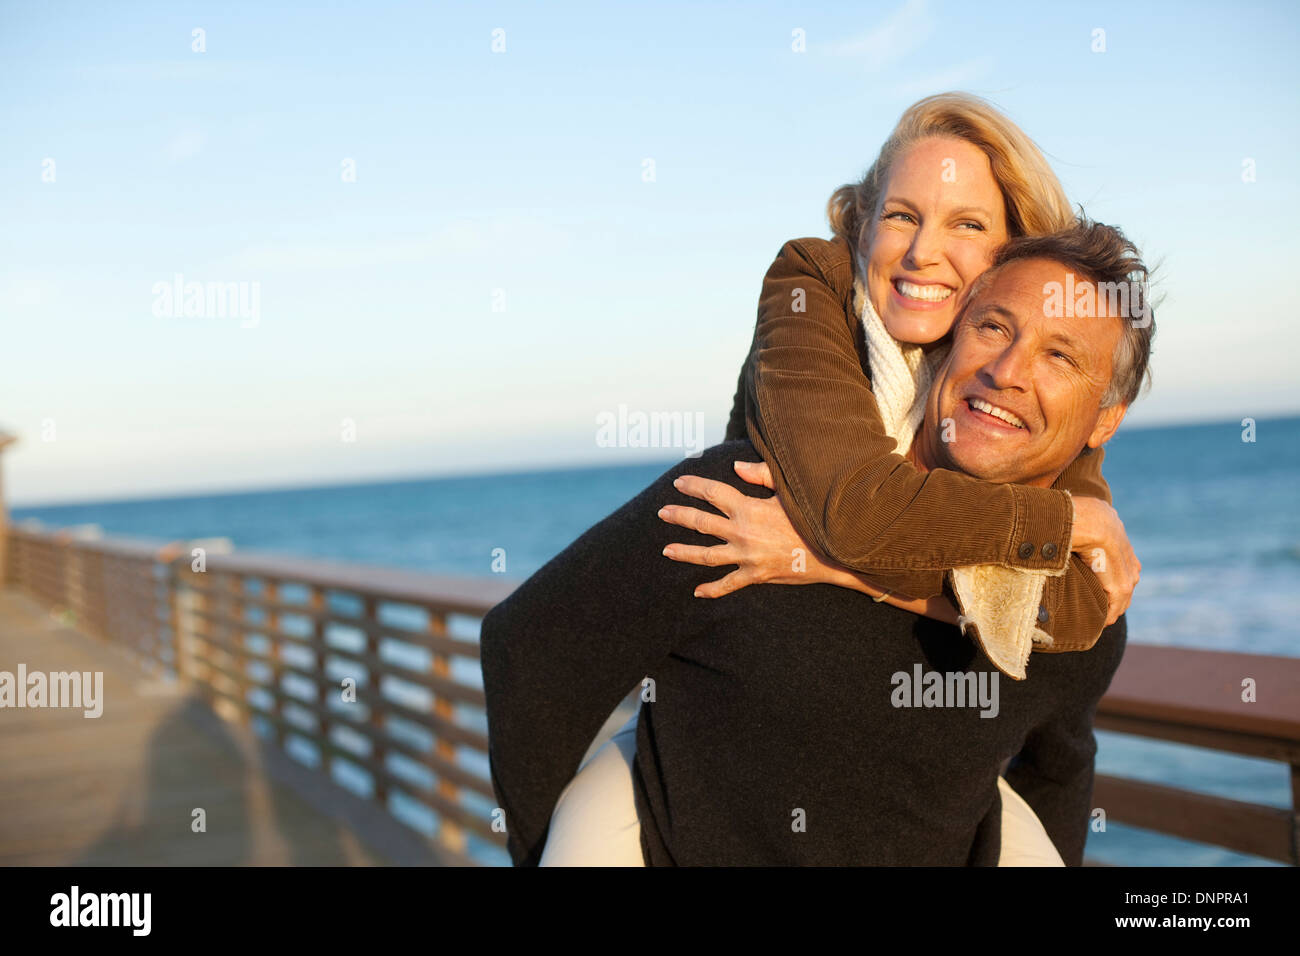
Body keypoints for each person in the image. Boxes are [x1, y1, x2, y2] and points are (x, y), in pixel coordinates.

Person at [528, 93, 1142, 865]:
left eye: (968, 225)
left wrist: (816, 561)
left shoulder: (1011, 398)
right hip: (703, 748)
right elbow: (857, 508)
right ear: (861, 223)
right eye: (900, 216)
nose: (923, 253)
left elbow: (1079, 613)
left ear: (1012, 260)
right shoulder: (813, 289)